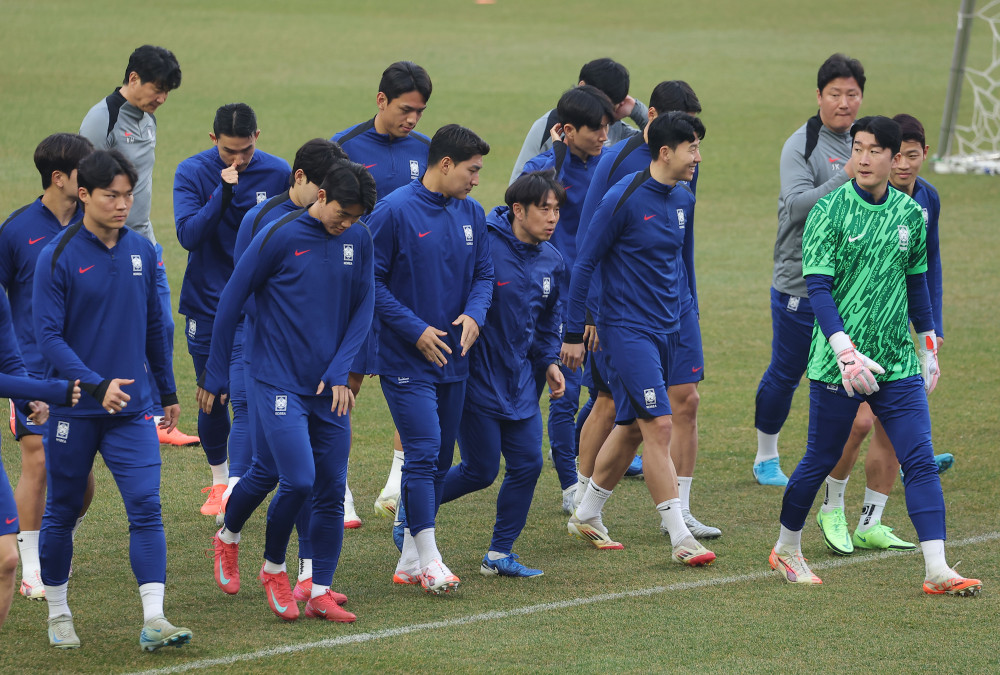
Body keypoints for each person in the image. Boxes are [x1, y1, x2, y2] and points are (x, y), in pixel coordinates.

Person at [769, 116, 981, 597]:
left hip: (896, 362)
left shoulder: (909, 214)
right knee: (821, 458)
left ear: (894, 157)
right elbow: (819, 288)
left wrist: (927, 345)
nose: (862, 159)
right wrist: (845, 352)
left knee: (920, 460)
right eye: (857, 149)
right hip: (838, 364)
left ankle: (937, 568)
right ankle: (786, 548)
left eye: (873, 151)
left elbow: (917, 284)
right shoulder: (828, 211)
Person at [202, 160, 377, 623]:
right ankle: (270, 565)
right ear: (320, 196)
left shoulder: (358, 239)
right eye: (342, 213)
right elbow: (231, 301)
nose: (347, 223)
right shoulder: (278, 236)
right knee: (297, 479)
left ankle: (319, 590)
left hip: (329, 387)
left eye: (356, 217)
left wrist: (341, 369)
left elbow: (365, 304)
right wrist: (215, 374)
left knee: (327, 487)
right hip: (276, 378)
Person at [34, 150, 192, 650]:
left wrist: (166, 390)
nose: (123, 205)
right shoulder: (57, 255)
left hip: (132, 409)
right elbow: (48, 337)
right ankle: (59, 612)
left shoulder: (141, 251)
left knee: (146, 506)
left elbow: (155, 327)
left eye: (128, 195)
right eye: (111, 196)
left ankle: (155, 619)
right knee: (62, 509)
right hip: (75, 410)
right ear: (84, 194)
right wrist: (96, 384)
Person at [560, 112, 715, 566]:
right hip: (626, 331)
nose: (698, 157)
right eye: (692, 148)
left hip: (669, 329)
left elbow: (681, 264)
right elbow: (584, 263)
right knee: (659, 425)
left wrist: (688, 316)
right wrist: (574, 331)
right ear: (665, 152)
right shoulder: (622, 198)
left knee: (630, 427)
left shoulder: (683, 197)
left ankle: (587, 513)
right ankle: (680, 537)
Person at [813, 113, 951, 556]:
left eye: (912, 156)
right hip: (849, 336)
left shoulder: (924, 201)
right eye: (899, 156)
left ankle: (871, 520)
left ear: (920, 155)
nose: (905, 165)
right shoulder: (846, 203)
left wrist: (929, 336)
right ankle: (832, 506)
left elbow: (925, 271)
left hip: (896, 337)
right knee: (857, 423)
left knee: (895, 431)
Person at [224, 138, 349, 600]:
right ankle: (229, 535)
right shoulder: (262, 221)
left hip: (318, 371)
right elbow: (244, 296)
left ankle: (308, 575)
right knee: (271, 470)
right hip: (268, 363)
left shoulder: (340, 227)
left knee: (311, 474)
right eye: (324, 187)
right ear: (301, 179)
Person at [372, 124, 493, 594]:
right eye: (471, 170)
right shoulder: (393, 211)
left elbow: (484, 274)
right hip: (405, 359)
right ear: (445, 164)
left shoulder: (472, 213)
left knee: (440, 461)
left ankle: (408, 559)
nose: (476, 180)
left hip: (454, 360)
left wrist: (476, 313)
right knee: (422, 453)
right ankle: (431, 559)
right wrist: (415, 330)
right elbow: (370, 283)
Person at [441, 171, 567, 578]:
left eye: (557, 210)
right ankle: (414, 506)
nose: (552, 218)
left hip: (521, 383)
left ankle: (498, 554)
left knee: (528, 463)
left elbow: (548, 323)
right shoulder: (484, 245)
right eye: (544, 209)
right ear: (518, 210)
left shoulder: (552, 260)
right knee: (480, 470)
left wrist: (550, 361)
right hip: (475, 378)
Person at [754, 54, 866, 486]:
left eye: (852, 94)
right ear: (819, 96)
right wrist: (847, 175)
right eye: (835, 93)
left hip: (852, 283)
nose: (844, 102)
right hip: (800, 283)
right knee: (788, 373)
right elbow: (798, 206)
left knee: (867, 367)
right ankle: (766, 457)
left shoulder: (865, 140)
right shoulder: (800, 145)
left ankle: (907, 450)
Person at [174, 103, 290, 517]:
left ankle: (233, 490)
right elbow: (188, 236)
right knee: (212, 396)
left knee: (241, 396)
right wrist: (222, 192)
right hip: (206, 304)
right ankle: (218, 478)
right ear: (213, 140)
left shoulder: (278, 172)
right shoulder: (191, 172)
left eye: (245, 150)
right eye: (228, 151)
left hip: (254, 306)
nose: (238, 159)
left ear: (257, 136)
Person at [79, 44, 197, 448]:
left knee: (160, 324)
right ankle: (42, 393)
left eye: (167, 92)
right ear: (133, 79)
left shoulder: (148, 118)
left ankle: (157, 416)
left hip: (144, 242)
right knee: (101, 328)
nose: (161, 98)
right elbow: (83, 184)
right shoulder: (103, 119)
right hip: (105, 246)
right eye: (157, 89)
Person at [331, 60, 433, 523]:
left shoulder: (428, 152)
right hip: (353, 287)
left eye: (419, 111)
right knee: (345, 383)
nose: (412, 119)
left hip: (408, 290)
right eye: (405, 109)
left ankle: (396, 484)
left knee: (413, 382)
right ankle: (338, 488)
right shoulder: (345, 148)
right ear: (381, 100)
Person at [0, 133, 96, 601]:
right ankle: (33, 565)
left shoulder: (95, 222)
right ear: (59, 178)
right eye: (84, 171)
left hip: (83, 370)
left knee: (81, 480)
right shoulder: (16, 231)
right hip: (31, 369)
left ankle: (59, 534)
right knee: (38, 457)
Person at [520, 85, 613, 514]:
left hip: (603, 299)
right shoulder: (545, 168)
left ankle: (579, 466)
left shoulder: (608, 164)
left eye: (607, 127)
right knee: (565, 391)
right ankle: (569, 486)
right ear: (568, 130)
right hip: (557, 300)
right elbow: (516, 205)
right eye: (597, 129)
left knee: (607, 391)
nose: (604, 137)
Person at [0, 291, 82, 633]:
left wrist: (29, 399)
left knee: (7, 560)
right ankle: (35, 562)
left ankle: (51, 548)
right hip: (48, 379)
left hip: (64, 374)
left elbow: (8, 360)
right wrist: (50, 391)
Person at [510, 58, 647, 181]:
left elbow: (656, 143)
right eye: (595, 127)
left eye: (612, 107)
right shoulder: (546, 127)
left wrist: (637, 110)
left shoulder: (616, 129)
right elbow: (518, 188)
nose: (603, 137)